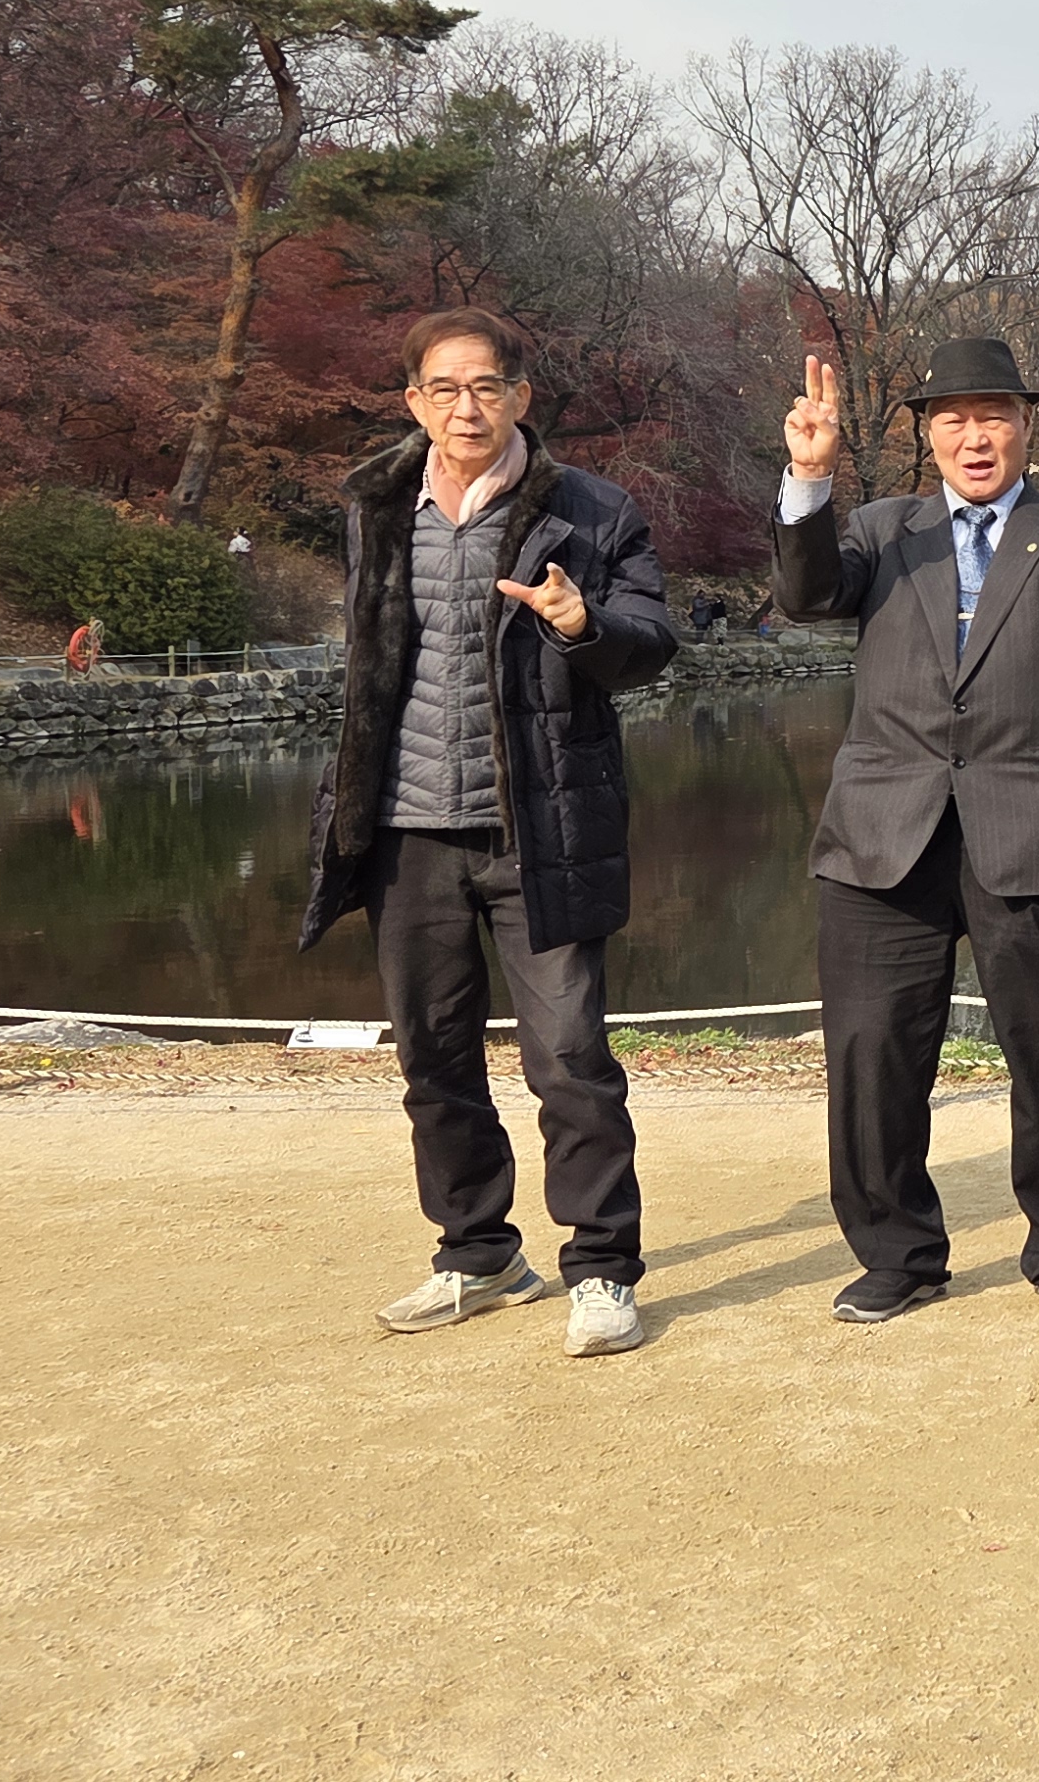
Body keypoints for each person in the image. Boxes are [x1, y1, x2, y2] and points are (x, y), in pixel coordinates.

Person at [297, 306, 678, 1359]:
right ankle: (477, 1252)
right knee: (433, 1055)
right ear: (415, 401)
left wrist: (585, 623)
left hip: (541, 823)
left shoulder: (591, 510)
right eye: (444, 388)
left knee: (570, 1056)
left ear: (520, 395)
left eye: (486, 386)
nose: (466, 407)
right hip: (405, 827)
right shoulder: (377, 506)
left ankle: (601, 1268)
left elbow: (653, 640)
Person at [776, 337, 1039, 1324]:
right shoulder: (881, 527)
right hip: (883, 830)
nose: (974, 435)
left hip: (1036, 824)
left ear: (1028, 425)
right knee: (872, 1053)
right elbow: (806, 594)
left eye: (994, 415)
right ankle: (897, 1253)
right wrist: (810, 480)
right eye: (952, 418)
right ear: (926, 434)